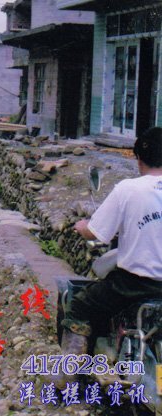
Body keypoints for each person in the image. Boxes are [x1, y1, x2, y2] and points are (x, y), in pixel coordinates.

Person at [56, 127, 162, 386]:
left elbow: (96, 233)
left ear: (138, 158)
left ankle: (68, 377)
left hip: (135, 284)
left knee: (80, 306)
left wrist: (82, 226)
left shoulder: (129, 189)